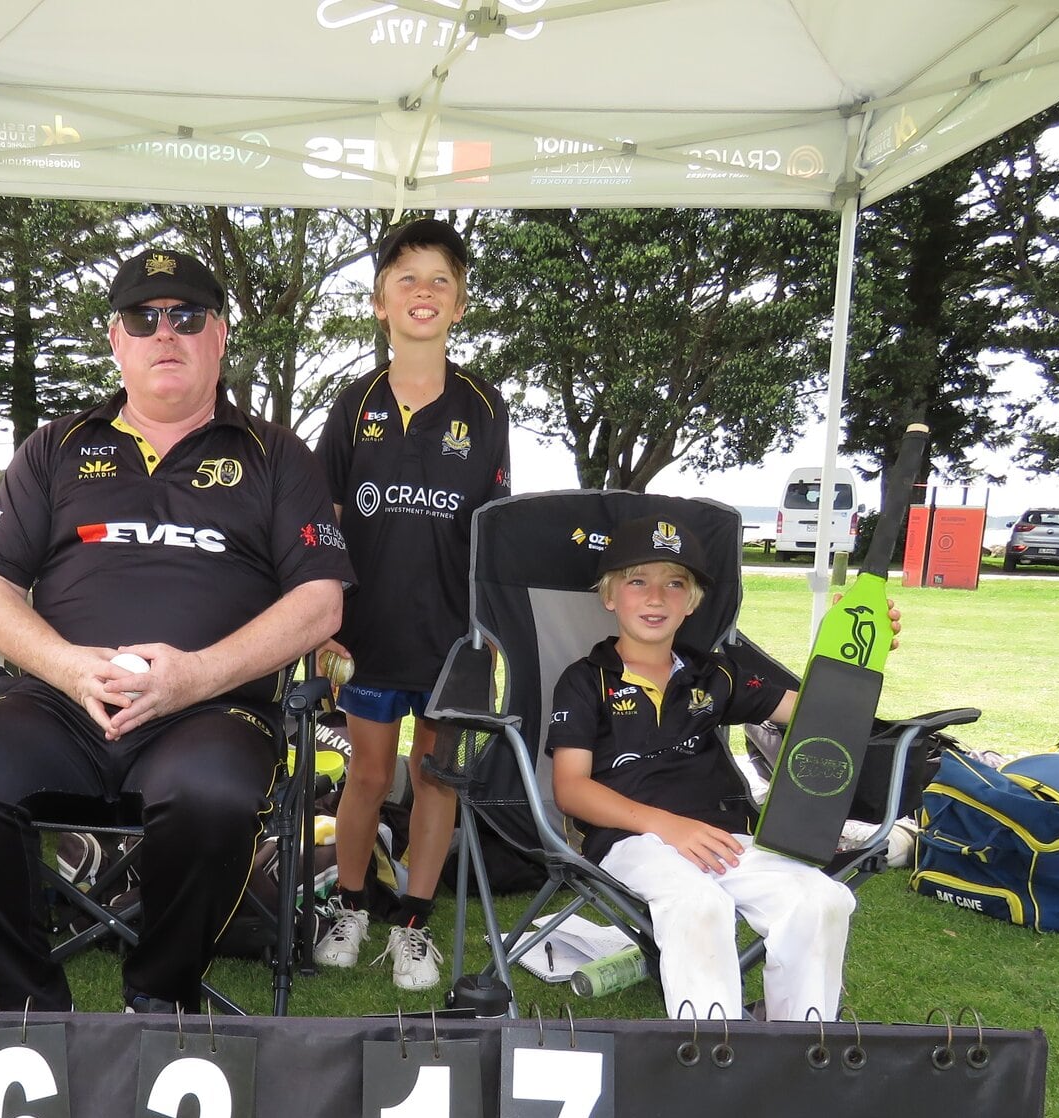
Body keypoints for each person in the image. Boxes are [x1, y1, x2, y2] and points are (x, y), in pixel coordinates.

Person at [0, 247, 352, 1014]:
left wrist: (198, 676)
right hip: (57, 705)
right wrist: (71, 667)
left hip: (212, 709)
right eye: (144, 318)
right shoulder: (57, 447)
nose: (164, 332)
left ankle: (162, 995)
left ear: (219, 336)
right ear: (116, 340)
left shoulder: (278, 456)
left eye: (186, 316)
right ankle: (24, 1004)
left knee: (210, 792)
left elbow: (320, 604)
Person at [545, 516, 867, 1024]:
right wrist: (666, 825)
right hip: (632, 838)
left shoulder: (714, 673)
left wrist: (851, 646)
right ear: (610, 596)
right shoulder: (585, 682)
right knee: (699, 905)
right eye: (637, 581)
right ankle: (712, 1054)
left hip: (724, 837)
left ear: (692, 602)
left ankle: (802, 1048)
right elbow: (570, 789)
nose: (656, 597)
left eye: (675, 583)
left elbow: (822, 713)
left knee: (821, 899)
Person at [311, 217, 510, 993]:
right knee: (365, 775)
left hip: (451, 638)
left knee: (435, 776)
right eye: (407, 279)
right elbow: (321, 522)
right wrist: (325, 623)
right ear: (379, 302)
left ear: (460, 304)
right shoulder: (351, 400)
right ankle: (352, 907)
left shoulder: (485, 407)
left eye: (440, 280)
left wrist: (489, 631)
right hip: (366, 631)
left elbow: (493, 531)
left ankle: (415, 925)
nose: (422, 292)